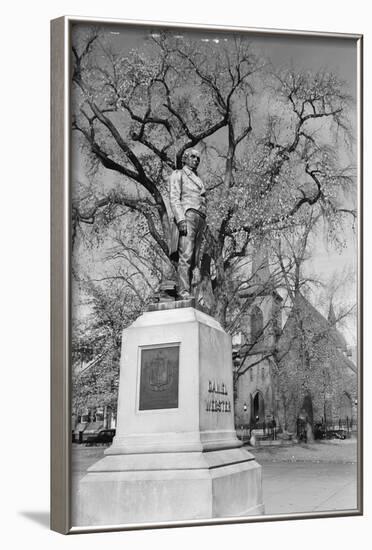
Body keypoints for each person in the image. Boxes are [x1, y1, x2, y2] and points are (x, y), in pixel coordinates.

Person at [169, 149, 206, 300]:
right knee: (186, 255)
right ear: (185, 159)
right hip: (188, 215)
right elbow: (174, 197)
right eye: (193, 157)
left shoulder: (199, 178)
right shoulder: (179, 174)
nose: (196, 160)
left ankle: (193, 293)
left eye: (198, 158)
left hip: (201, 218)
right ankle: (183, 291)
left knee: (196, 260)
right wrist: (180, 219)